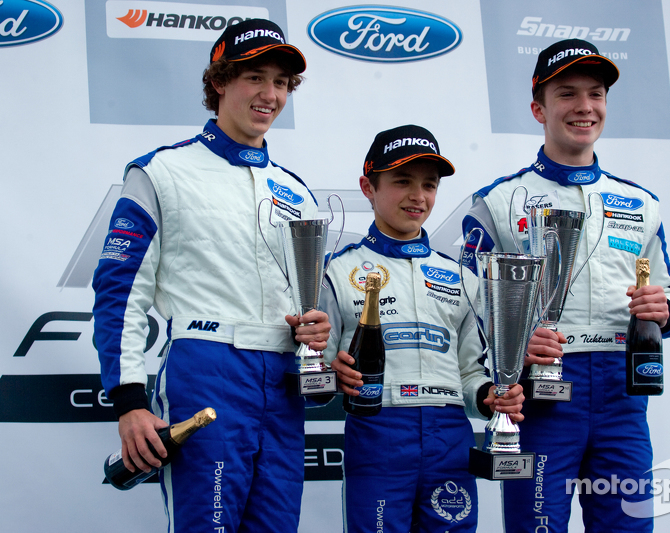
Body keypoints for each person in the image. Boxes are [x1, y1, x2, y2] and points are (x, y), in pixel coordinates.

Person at [92, 19, 330, 532]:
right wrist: (130, 401)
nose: (270, 95)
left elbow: (311, 305)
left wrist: (316, 333)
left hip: (284, 383)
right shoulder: (160, 172)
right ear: (219, 82)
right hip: (206, 371)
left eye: (282, 83)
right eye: (256, 78)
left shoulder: (298, 194)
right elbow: (119, 295)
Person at [462, 39, 670, 532]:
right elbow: (470, 302)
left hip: (622, 396)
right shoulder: (497, 202)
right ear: (538, 108)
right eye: (568, 93)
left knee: (627, 524)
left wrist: (663, 310)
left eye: (596, 93)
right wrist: (514, 350)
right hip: (541, 393)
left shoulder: (641, 203)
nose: (584, 107)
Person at [319, 125, 525, 533]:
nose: (418, 196)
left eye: (429, 185)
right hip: (378, 430)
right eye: (402, 182)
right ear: (368, 186)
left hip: (448, 435)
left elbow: (471, 372)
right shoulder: (337, 271)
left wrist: (489, 397)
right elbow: (313, 373)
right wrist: (331, 373)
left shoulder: (462, 278)